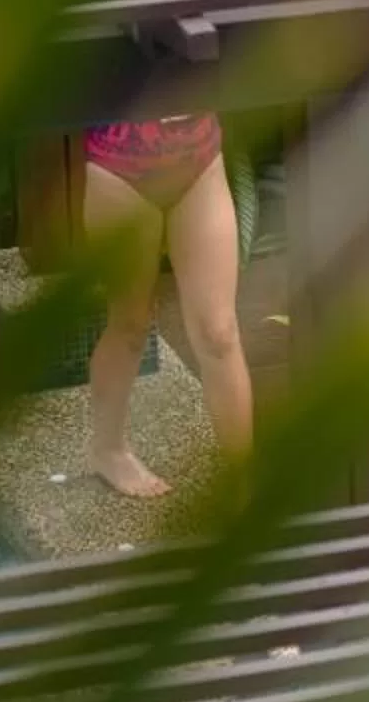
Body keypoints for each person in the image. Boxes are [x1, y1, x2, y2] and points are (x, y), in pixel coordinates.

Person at [76, 114, 252, 496]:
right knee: (130, 324)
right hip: (117, 166)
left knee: (219, 332)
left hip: (200, 160)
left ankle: (242, 484)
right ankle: (108, 450)